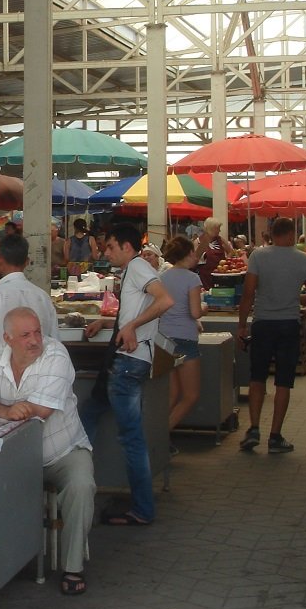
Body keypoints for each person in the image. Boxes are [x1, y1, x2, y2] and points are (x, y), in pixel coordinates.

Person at [0, 307, 96, 596]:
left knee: (82, 486)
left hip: (60, 451)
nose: (35, 339)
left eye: (37, 331)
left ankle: (72, 566)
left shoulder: (56, 355)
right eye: (25, 335)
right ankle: (0, 562)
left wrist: (11, 411)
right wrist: (5, 410)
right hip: (12, 454)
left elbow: (42, 411)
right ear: (7, 338)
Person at [80, 223, 174, 526]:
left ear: (126, 247)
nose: (106, 252)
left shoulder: (137, 268)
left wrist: (130, 327)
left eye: (110, 247)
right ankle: (79, 477)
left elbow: (165, 300)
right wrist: (109, 325)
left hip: (128, 362)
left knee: (131, 438)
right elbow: (135, 312)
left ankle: (142, 508)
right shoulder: (133, 270)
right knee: (89, 414)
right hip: (124, 360)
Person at [236, 217, 306, 453]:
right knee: (283, 381)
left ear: (271, 234)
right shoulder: (304, 259)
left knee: (257, 378)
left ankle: (253, 429)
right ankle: (275, 437)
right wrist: (294, 299)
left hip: (263, 324)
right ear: (292, 235)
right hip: (288, 325)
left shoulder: (258, 256)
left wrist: (242, 326)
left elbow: (248, 294)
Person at [0, 235, 58, 347]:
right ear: (27, 262)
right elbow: (54, 342)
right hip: (41, 363)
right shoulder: (43, 297)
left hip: (4, 363)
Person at [157, 236, 205, 433]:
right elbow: (195, 312)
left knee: (171, 394)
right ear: (189, 254)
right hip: (185, 339)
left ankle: (153, 436)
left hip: (164, 339)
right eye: (194, 252)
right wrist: (205, 307)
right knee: (190, 396)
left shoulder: (162, 277)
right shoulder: (192, 278)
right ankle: (161, 435)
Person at [193, 217, 233, 290]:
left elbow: (230, 251)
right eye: (218, 228)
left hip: (220, 274)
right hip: (205, 275)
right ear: (211, 228)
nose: (219, 230)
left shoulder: (220, 240)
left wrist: (226, 262)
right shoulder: (198, 241)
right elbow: (195, 258)